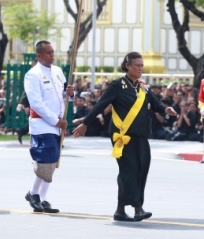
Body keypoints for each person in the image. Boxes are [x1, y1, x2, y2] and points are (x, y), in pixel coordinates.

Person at [72, 52, 177, 222]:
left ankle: (120, 210)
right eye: (137, 65)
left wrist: (165, 110)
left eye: (142, 66)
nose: (140, 69)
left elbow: (155, 104)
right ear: (127, 66)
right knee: (130, 170)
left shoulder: (143, 87)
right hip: (123, 135)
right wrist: (86, 124)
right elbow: (100, 105)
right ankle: (138, 209)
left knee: (140, 170)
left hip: (141, 135)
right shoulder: (117, 86)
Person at [24, 40, 75, 213]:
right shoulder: (33, 75)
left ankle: (42, 197)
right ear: (39, 55)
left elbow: (62, 96)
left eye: (53, 52)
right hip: (42, 124)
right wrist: (55, 121)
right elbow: (36, 103)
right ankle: (33, 194)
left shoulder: (58, 72)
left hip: (57, 124)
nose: (52, 55)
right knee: (47, 158)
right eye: (48, 52)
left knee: (53, 161)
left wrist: (70, 94)